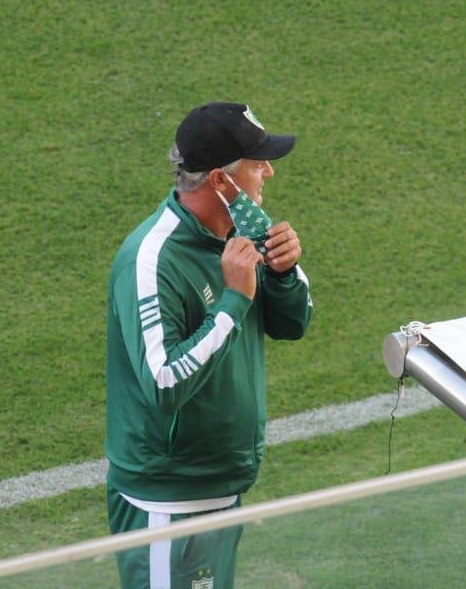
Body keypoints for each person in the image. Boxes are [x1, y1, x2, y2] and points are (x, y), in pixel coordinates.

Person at [105, 102, 313, 589]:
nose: (269, 172)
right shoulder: (150, 260)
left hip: (221, 489)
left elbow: (294, 325)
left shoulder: (245, 231)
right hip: (168, 504)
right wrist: (233, 301)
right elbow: (163, 382)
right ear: (221, 180)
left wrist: (283, 274)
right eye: (257, 164)